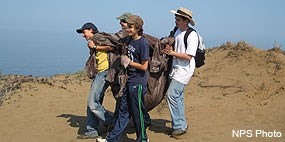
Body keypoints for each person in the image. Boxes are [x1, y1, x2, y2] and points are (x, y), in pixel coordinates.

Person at [97, 15, 149, 142]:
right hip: (129, 81)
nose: (128, 29)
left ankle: (142, 138)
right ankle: (112, 139)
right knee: (123, 111)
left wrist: (129, 62)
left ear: (138, 28)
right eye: (128, 26)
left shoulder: (143, 43)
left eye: (131, 27)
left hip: (138, 82)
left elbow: (144, 66)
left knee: (138, 114)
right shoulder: (129, 40)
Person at [163, 7, 199, 137]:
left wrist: (172, 53)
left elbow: (189, 56)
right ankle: (180, 124)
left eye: (178, 19)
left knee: (172, 95)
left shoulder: (192, 35)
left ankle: (179, 126)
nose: (175, 21)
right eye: (176, 19)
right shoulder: (176, 31)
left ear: (186, 21)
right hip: (176, 68)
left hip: (185, 70)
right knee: (178, 97)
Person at [76, 22, 115, 139]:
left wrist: (94, 47)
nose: (83, 35)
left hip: (104, 73)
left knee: (92, 103)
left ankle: (112, 122)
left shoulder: (99, 37)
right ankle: (92, 130)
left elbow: (112, 47)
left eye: (84, 32)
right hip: (100, 74)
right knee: (92, 102)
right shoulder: (94, 39)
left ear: (91, 30)